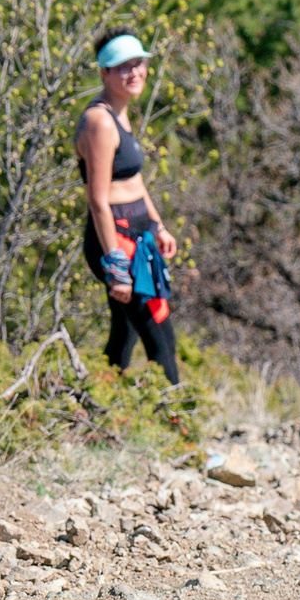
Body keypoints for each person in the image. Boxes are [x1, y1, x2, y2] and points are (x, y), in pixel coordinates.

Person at [77, 32, 181, 384]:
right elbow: (98, 198)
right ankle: (177, 424)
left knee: (125, 332)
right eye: (122, 67)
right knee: (159, 335)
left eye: (138, 63)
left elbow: (133, 181)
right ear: (104, 73)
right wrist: (116, 267)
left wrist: (159, 226)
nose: (134, 72)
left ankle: (98, 408)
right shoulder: (100, 121)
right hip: (115, 241)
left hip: (139, 236)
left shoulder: (120, 115)